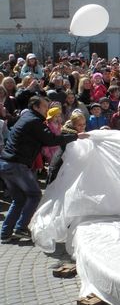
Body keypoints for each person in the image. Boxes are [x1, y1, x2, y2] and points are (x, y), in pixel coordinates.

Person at [0, 96, 88, 243]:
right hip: (16, 165)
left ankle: (5, 233)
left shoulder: (29, 117)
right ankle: (21, 228)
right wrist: (76, 136)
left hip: (6, 163)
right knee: (34, 195)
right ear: (35, 107)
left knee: (19, 199)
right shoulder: (33, 121)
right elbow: (51, 140)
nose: (47, 110)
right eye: (45, 107)